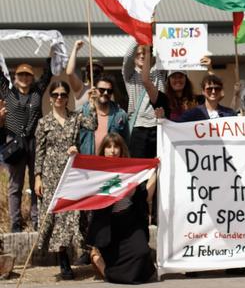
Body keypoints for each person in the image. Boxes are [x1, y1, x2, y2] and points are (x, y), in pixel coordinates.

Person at [87, 133, 156, 284]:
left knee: (144, 254)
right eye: (109, 147)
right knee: (130, 272)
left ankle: (108, 272)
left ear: (121, 149)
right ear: (103, 150)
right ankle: (101, 264)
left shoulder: (130, 171)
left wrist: (155, 170)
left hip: (130, 222)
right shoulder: (96, 173)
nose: (112, 150)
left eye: (116, 146)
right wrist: (72, 154)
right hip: (110, 227)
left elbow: (146, 196)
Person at [34, 81, 84, 280]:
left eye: (63, 94)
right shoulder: (43, 123)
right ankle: (62, 259)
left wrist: (94, 101)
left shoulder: (76, 118)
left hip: (72, 174)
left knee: (71, 215)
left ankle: (75, 254)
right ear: (50, 97)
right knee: (54, 217)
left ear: (68, 97)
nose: (59, 98)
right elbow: (39, 152)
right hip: (51, 175)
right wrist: (38, 178)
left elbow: (94, 124)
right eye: (55, 95)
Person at [0, 53, 53, 232]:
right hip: (14, 140)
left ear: (32, 78)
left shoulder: (37, 91)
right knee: (15, 185)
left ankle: (36, 220)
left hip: (35, 140)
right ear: (15, 77)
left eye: (27, 75)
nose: (24, 77)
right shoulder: (7, 92)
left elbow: (48, 74)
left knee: (36, 182)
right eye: (21, 74)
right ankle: (15, 224)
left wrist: (52, 55)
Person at [122, 42, 166, 159]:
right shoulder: (130, 75)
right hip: (138, 126)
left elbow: (167, 54)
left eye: (145, 53)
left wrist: (154, 37)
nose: (142, 56)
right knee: (139, 166)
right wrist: (139, 38)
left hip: (159, 125)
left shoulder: (159, 72)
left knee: (159, 165)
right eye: (138, 54)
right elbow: (127, 57)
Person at [141, 48, 199, 122]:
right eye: (174, 77)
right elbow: (145, 81)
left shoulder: (196, 100)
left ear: (186, 79)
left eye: (180, 76)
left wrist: (209, 67)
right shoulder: (163, 99)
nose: (177, 80)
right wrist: (148, 52)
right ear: (168, 80)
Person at [79, 76, 129, 155]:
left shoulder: (120, 115)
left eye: (109, 91)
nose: (105, 93)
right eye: (102, 90)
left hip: (110, 164)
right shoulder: (83, 112)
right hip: (87, 162)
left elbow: (126, 145)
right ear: (94, 90)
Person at [65, 40, 105, 110]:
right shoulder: (81, 87)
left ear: (102, 73)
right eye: (90, 70)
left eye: (97, 71)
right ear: (87, 73)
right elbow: (69, 73)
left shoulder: (105, 91)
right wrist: (75, 49)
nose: (93, 73)